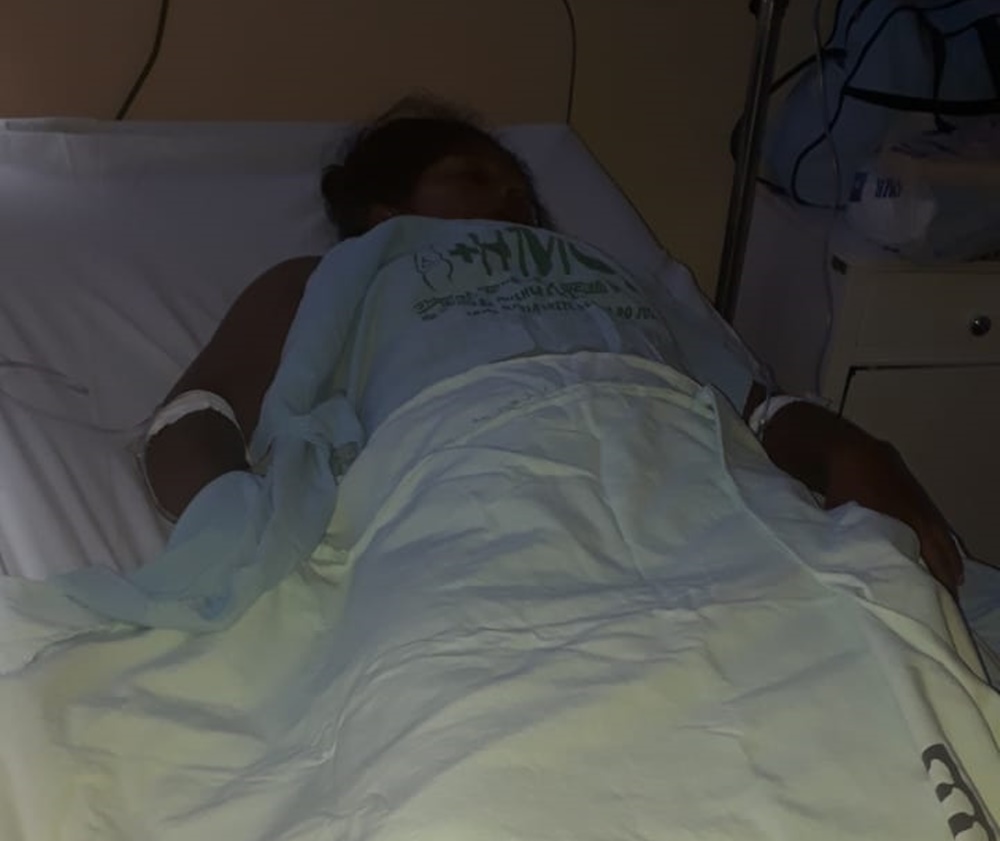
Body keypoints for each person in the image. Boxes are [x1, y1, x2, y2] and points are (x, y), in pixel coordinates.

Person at [144, 104, 963, 594]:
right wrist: (236, 526)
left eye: (520, 189)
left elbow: (758, 412)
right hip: (470, 490)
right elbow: (193, 417)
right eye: (474, 176)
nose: (511, 197)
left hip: (686, 483)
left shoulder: (604, 276)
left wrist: (854, 449)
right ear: (384, 212)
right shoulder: (337, 276)